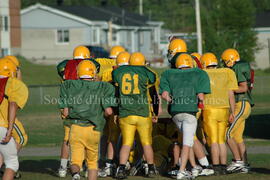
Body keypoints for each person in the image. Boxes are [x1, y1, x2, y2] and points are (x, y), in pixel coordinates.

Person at [59, 60, 117, 180]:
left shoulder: (70, 86)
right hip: (93, 129)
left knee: (75, 162)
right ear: (94, 73)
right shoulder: (102, 87)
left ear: (78, 72)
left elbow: (65, 112)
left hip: (76, 128)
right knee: (92, 164)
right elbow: (109, 111)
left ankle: (75, 175)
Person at [160, 53, 210, 180]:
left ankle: (193, 167)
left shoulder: (168, 74)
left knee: (188, 140)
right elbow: (201, 96)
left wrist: (171, 100)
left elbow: (165, 94)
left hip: (176, 113)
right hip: (189, 112)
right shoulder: (199, 73)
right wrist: (201, 102)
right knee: (187, 143)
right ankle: (182, 171)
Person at [113, 52, 159, 179]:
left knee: (126, 143)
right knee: (146, 143)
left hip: (126, 113)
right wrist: (155, 112)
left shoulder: (120, 72)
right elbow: (154, 94)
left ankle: (121, 169)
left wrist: (116, 112)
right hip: (142, 113)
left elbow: (116, 95)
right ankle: (150, 168)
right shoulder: (147, 73)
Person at [201, 52, 238, 174]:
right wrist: (233, 112)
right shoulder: (226, 72)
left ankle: (216, 166)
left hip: (210, 110)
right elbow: (231, 94)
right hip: (224, 109)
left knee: (214, 141)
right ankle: (223, 166)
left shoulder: (203, 74)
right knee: (222, 140)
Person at [221, 48, 254, 173]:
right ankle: (245, 164)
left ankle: (237, 161)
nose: (224, 64)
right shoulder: (240, 66)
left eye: (225, 61)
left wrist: (228, 89)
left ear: (230, 60)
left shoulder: (238, 68)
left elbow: (243, 88)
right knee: (237, 137)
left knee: (227, 134)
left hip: (242, 103)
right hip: (243, 104)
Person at [101, 51, 131, 177]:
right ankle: (129, 162)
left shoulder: (111, 74)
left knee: (112, 138)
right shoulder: (133, 74)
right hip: (128, 111)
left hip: (115, 110)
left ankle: (110, 164)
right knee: (129, 139)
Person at [0, 58, 28, 180]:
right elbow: (13, 104)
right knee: (12, 163)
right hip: (3, 123)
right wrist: (10, 128)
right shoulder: (11, 83)